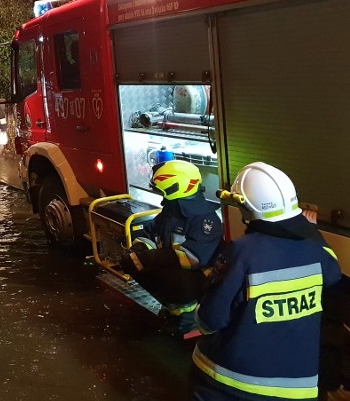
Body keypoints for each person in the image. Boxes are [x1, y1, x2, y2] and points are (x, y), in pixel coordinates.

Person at [190, 162, 342, 401]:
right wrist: (312, 232)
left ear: (247, 209)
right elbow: (333, 272)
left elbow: (208, 321)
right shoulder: (316, 249)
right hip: (300, 389)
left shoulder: (241, 252)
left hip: (230, 385)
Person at [119, 159, 223, 334]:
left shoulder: (205, 219)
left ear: (175, 187)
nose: (160, 194)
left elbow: (192, 259)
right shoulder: (172, 209)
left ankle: (189, 317)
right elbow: (151, 231)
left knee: (176, 280)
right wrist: (139, 249)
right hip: (175, 270)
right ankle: (173, 309)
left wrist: (152, 257)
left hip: (198, 278)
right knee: (132, 263)